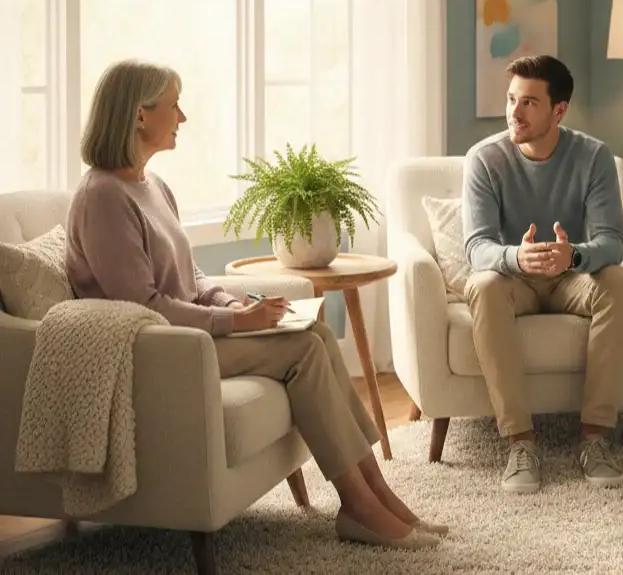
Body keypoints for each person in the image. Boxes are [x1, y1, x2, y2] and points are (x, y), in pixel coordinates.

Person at [64, 59, 444, 550]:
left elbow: (192, 278)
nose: (183, 117)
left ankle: (378, 493)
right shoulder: (102, 198)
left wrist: (238, 304)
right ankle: (358, 506)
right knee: (304, 351)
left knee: (317, 333)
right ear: (140, 116)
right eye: (174, 105)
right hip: (158, 352)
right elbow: (142, 306)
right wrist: (236, 320)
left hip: (191, 337)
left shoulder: (152, 186)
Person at [462, 54, 623, 494]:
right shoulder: (484, 159)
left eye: (528, 103)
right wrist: (516, 259)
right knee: (483, 287)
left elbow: (614, 242)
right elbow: (476, 247)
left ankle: (594, 439)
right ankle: (521, 443)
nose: (513, 113)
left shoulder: (594, 157)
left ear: (559, 110)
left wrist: (573, 256)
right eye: (510, 100)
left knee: (620, 281)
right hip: (512, 278)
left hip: (568, 278)